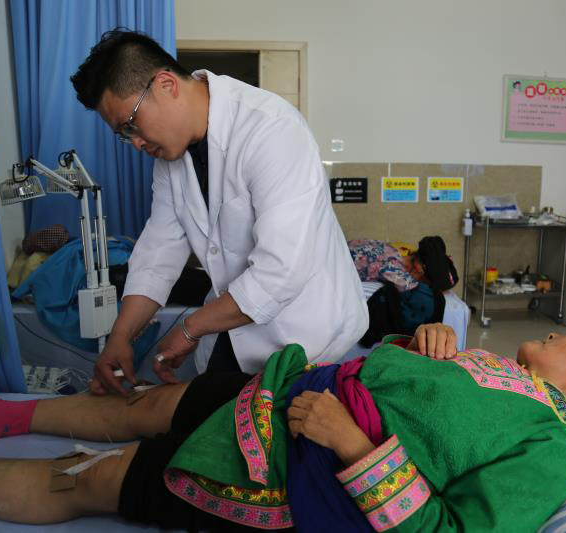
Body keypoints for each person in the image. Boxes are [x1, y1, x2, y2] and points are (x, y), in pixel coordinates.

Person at [0, 324, 566, 531]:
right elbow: (396, 381)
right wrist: (418, 341)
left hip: (288, 465)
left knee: (91, 478)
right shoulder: (486, 360)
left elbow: (449, 530)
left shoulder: (547, 451)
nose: (564, 333)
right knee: (139, 407)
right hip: (281, 392)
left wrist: (350, 442)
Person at [69, 29, 367, 393]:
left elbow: (282, 270)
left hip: (306, 336)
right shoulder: (171, 158)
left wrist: (189, 328)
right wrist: (121, 336)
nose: (136, 143)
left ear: (165, 85)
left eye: (131, 125)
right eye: (123, 134)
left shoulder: (272, 129)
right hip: (232, 328)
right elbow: (158, 255)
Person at [348, 236, 458, 293]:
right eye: (426, 283)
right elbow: (420, 294)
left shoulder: (390, 249)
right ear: (418, 269)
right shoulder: (397, 274)